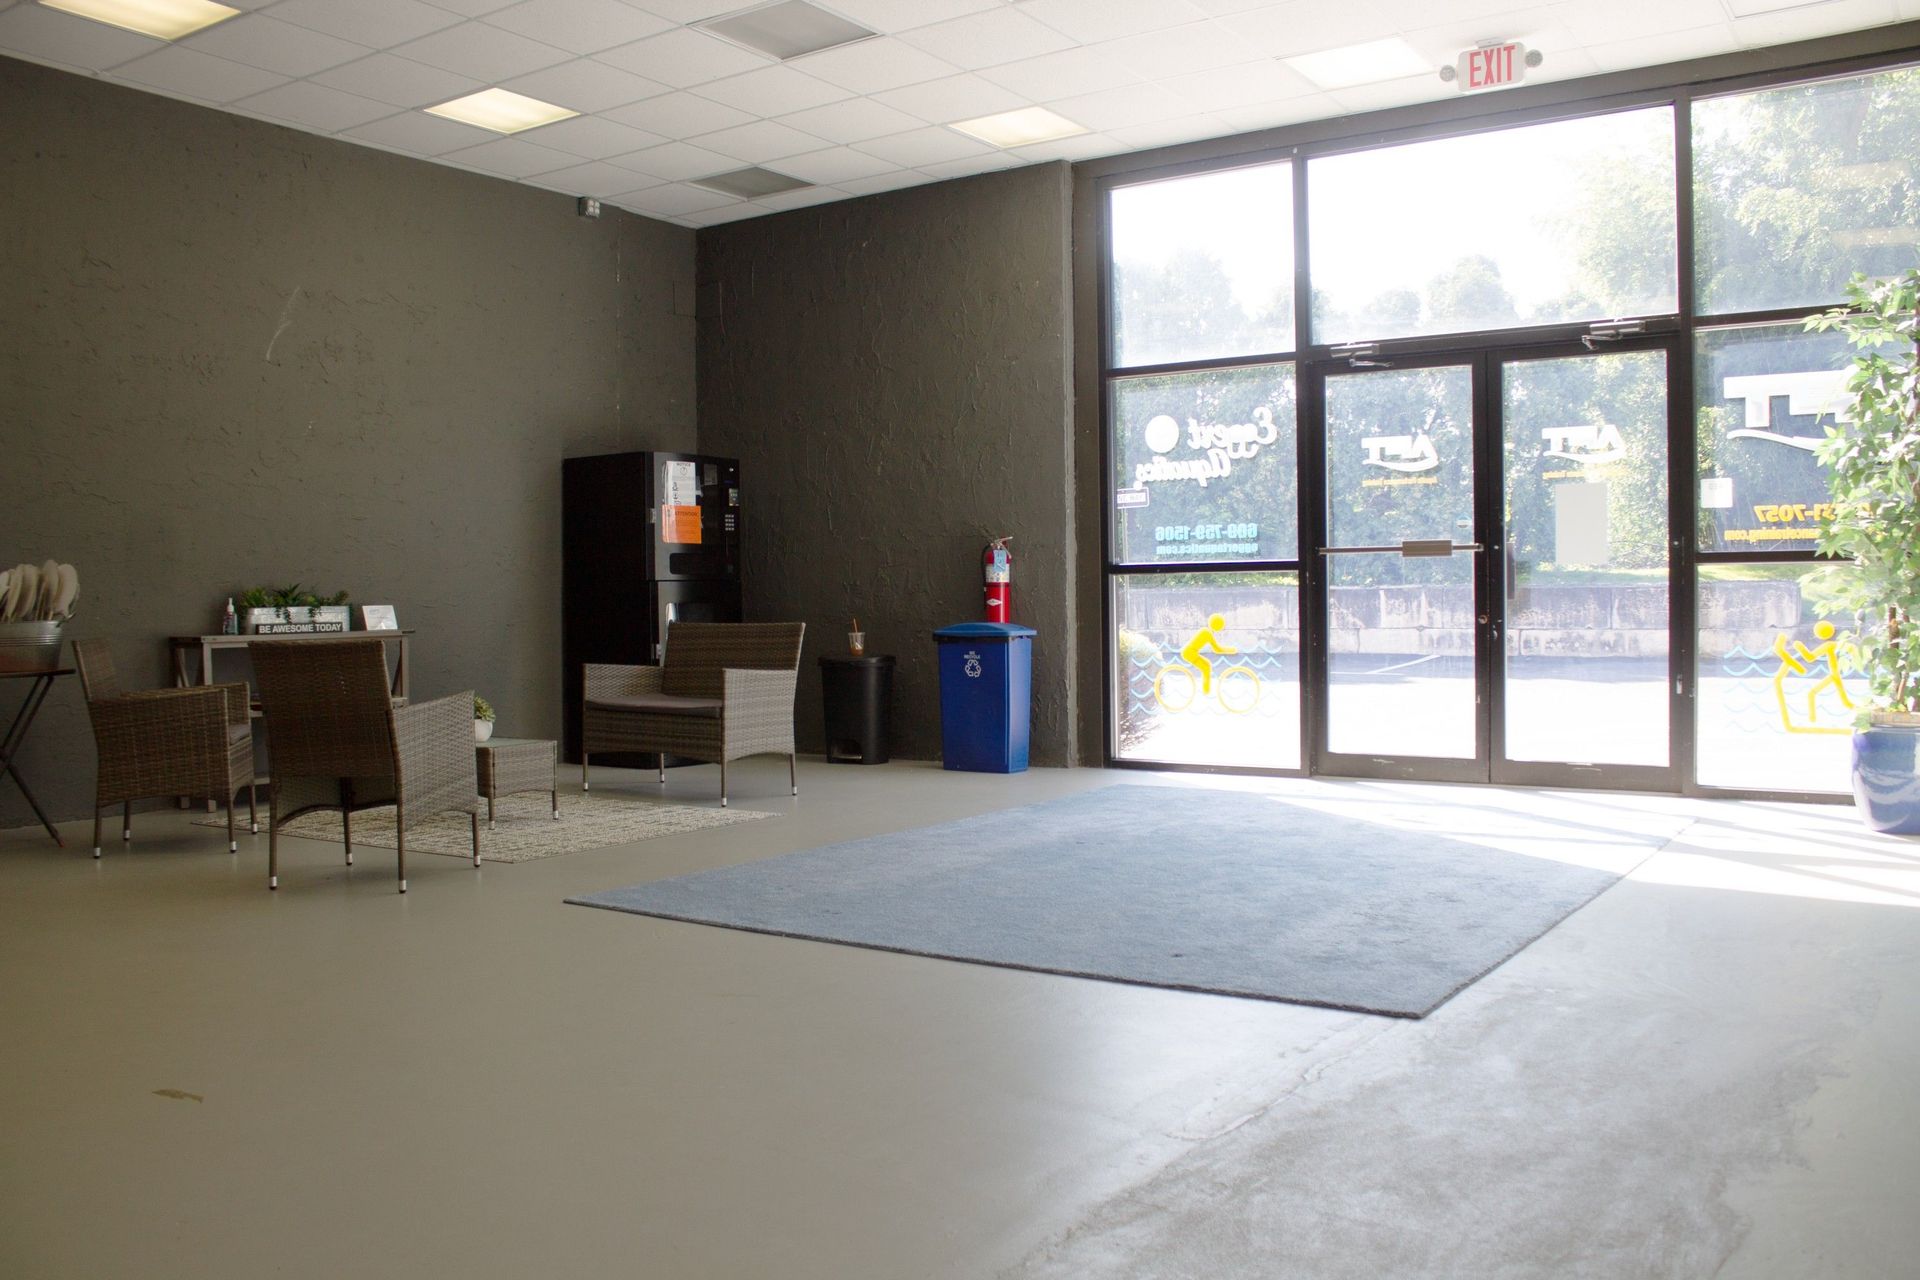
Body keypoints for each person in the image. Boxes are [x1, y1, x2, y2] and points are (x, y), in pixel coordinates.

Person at [1179, 613, 1237, 695]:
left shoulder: (1206, 631)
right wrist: (1232, 650)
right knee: (1206, 667)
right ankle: (1206, 692)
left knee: (1207, 665)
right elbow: (1217, 649)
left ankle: (1206, 691)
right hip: (1189, 653)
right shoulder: (1207, 633)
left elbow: (1216, 649)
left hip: (1189, 652)